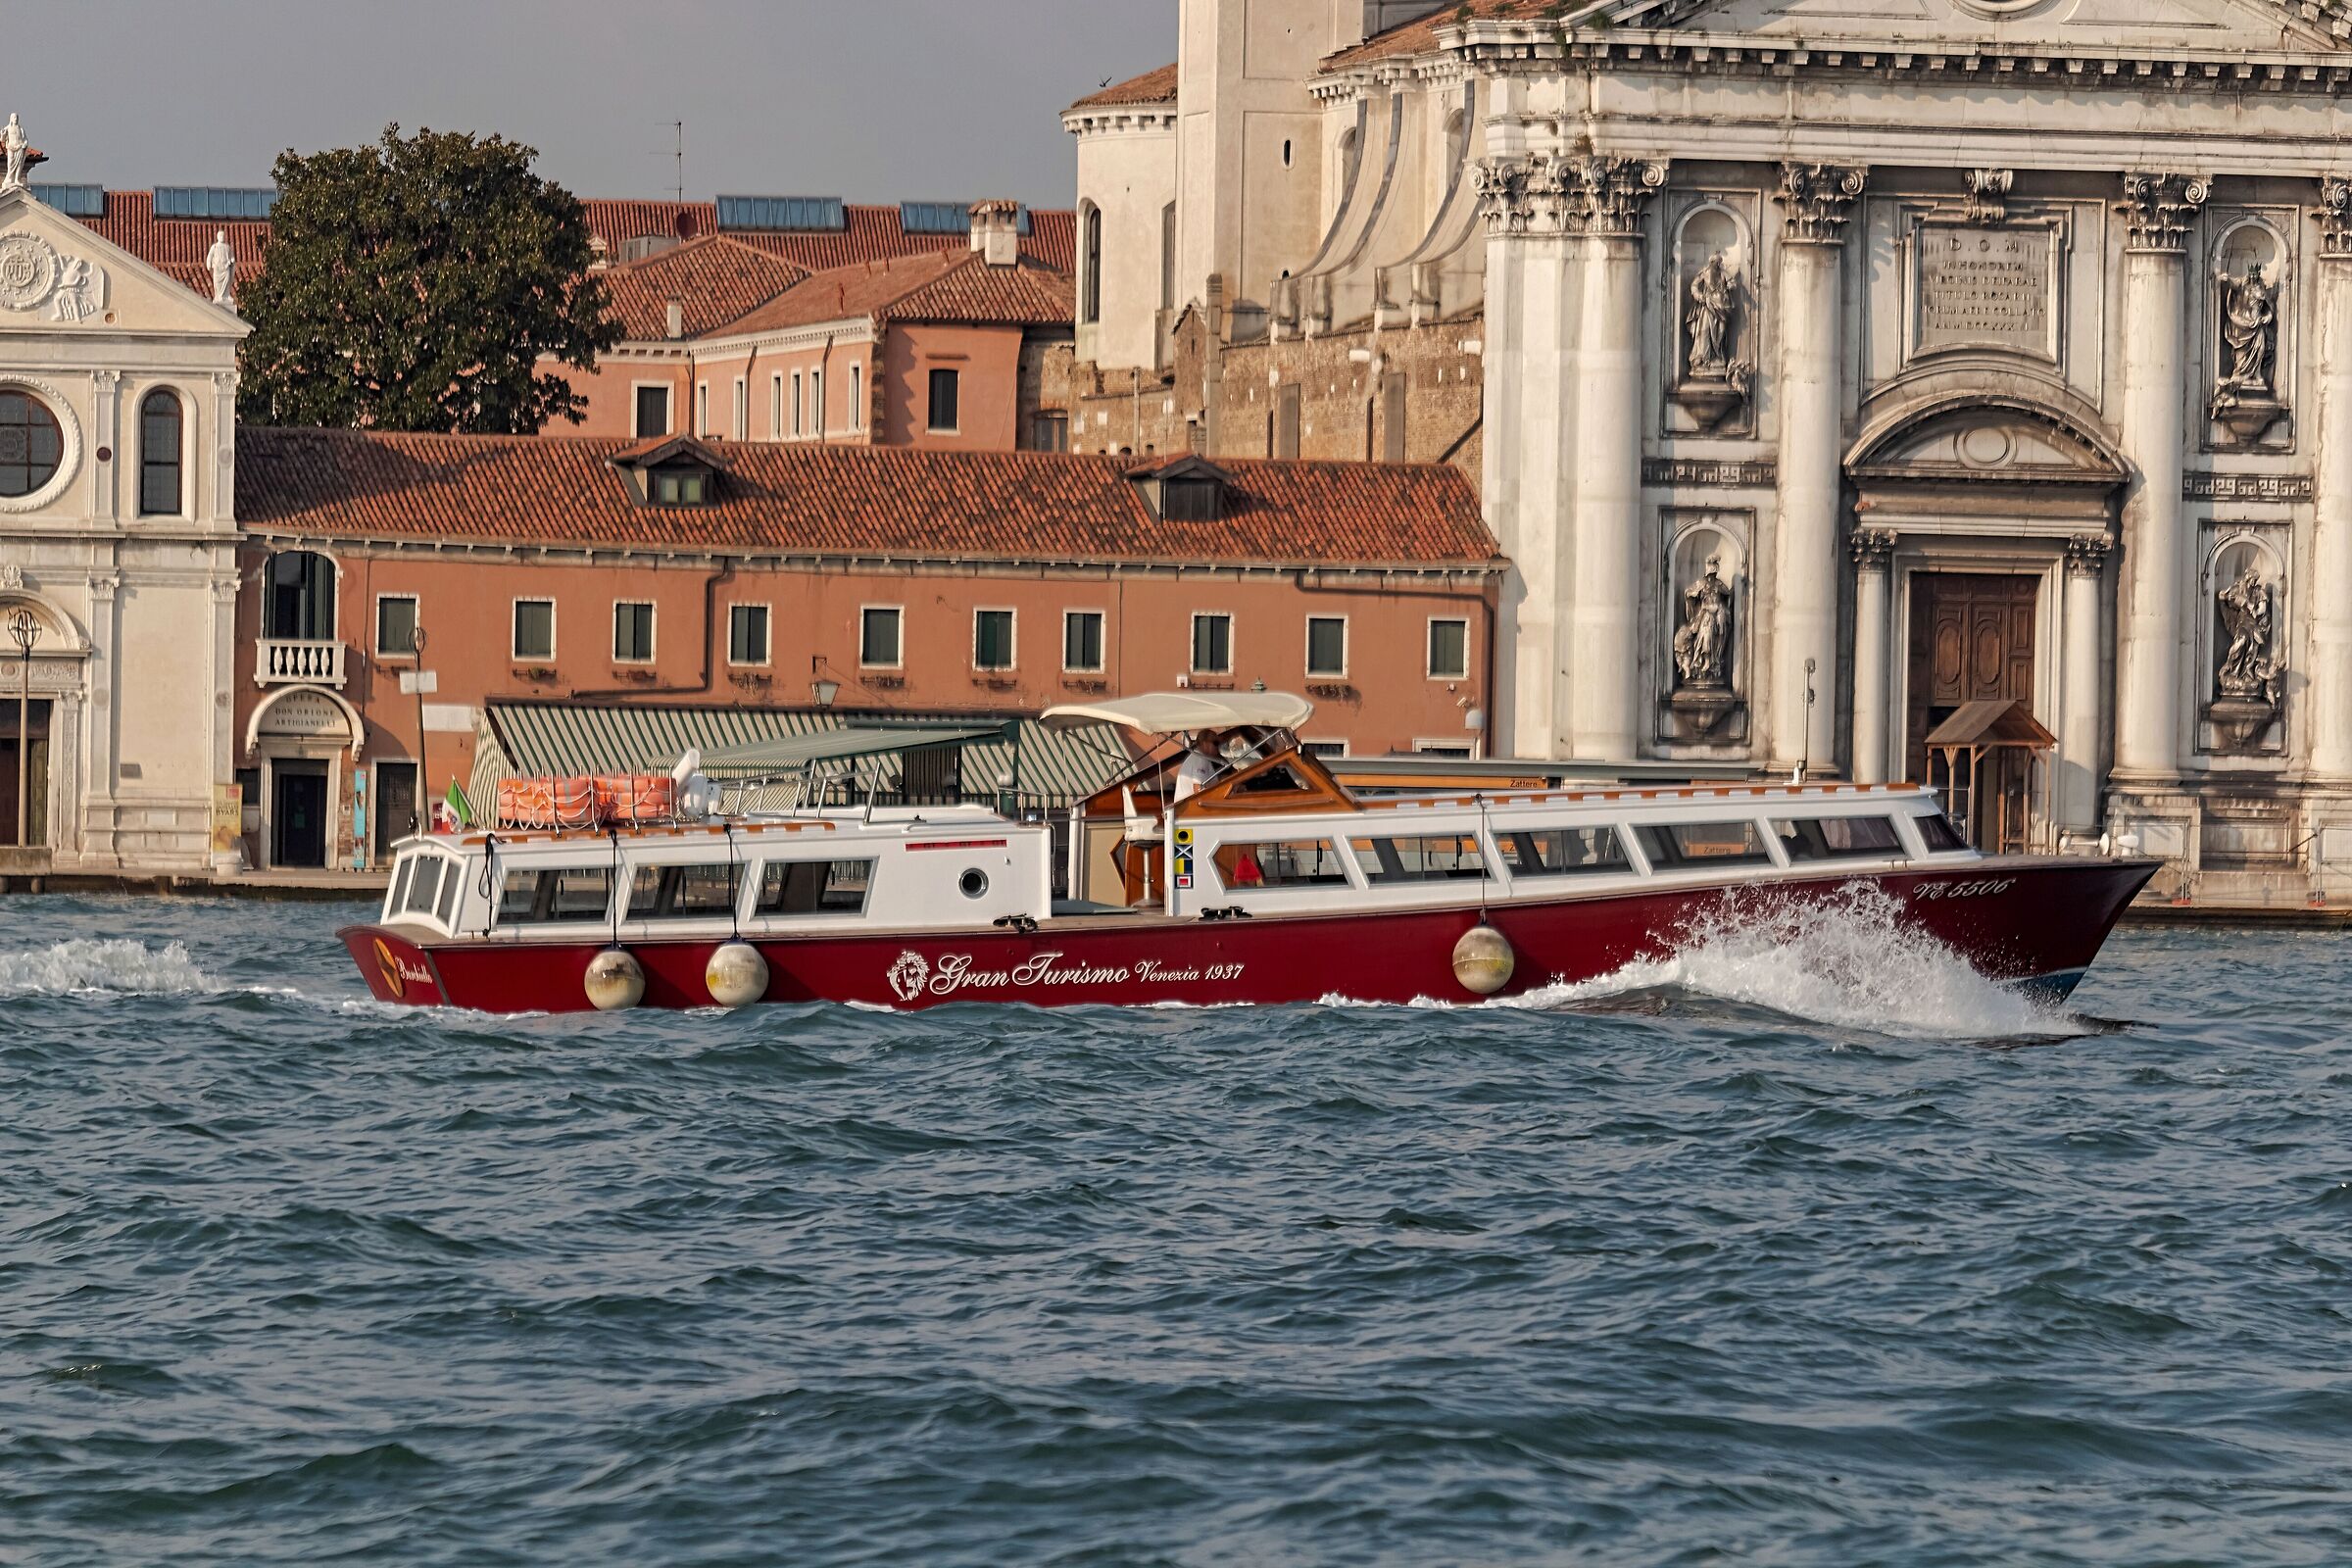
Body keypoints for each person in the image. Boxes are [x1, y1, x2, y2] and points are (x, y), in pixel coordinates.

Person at [1173, 727, 1226, 802]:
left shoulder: (1198, 758)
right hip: (1190, 807)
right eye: (1216, 743)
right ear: (1205, 744)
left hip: (1186, 806)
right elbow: (1198, 789)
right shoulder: (1200, 759)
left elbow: (1211, 782)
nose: (1218, 747)